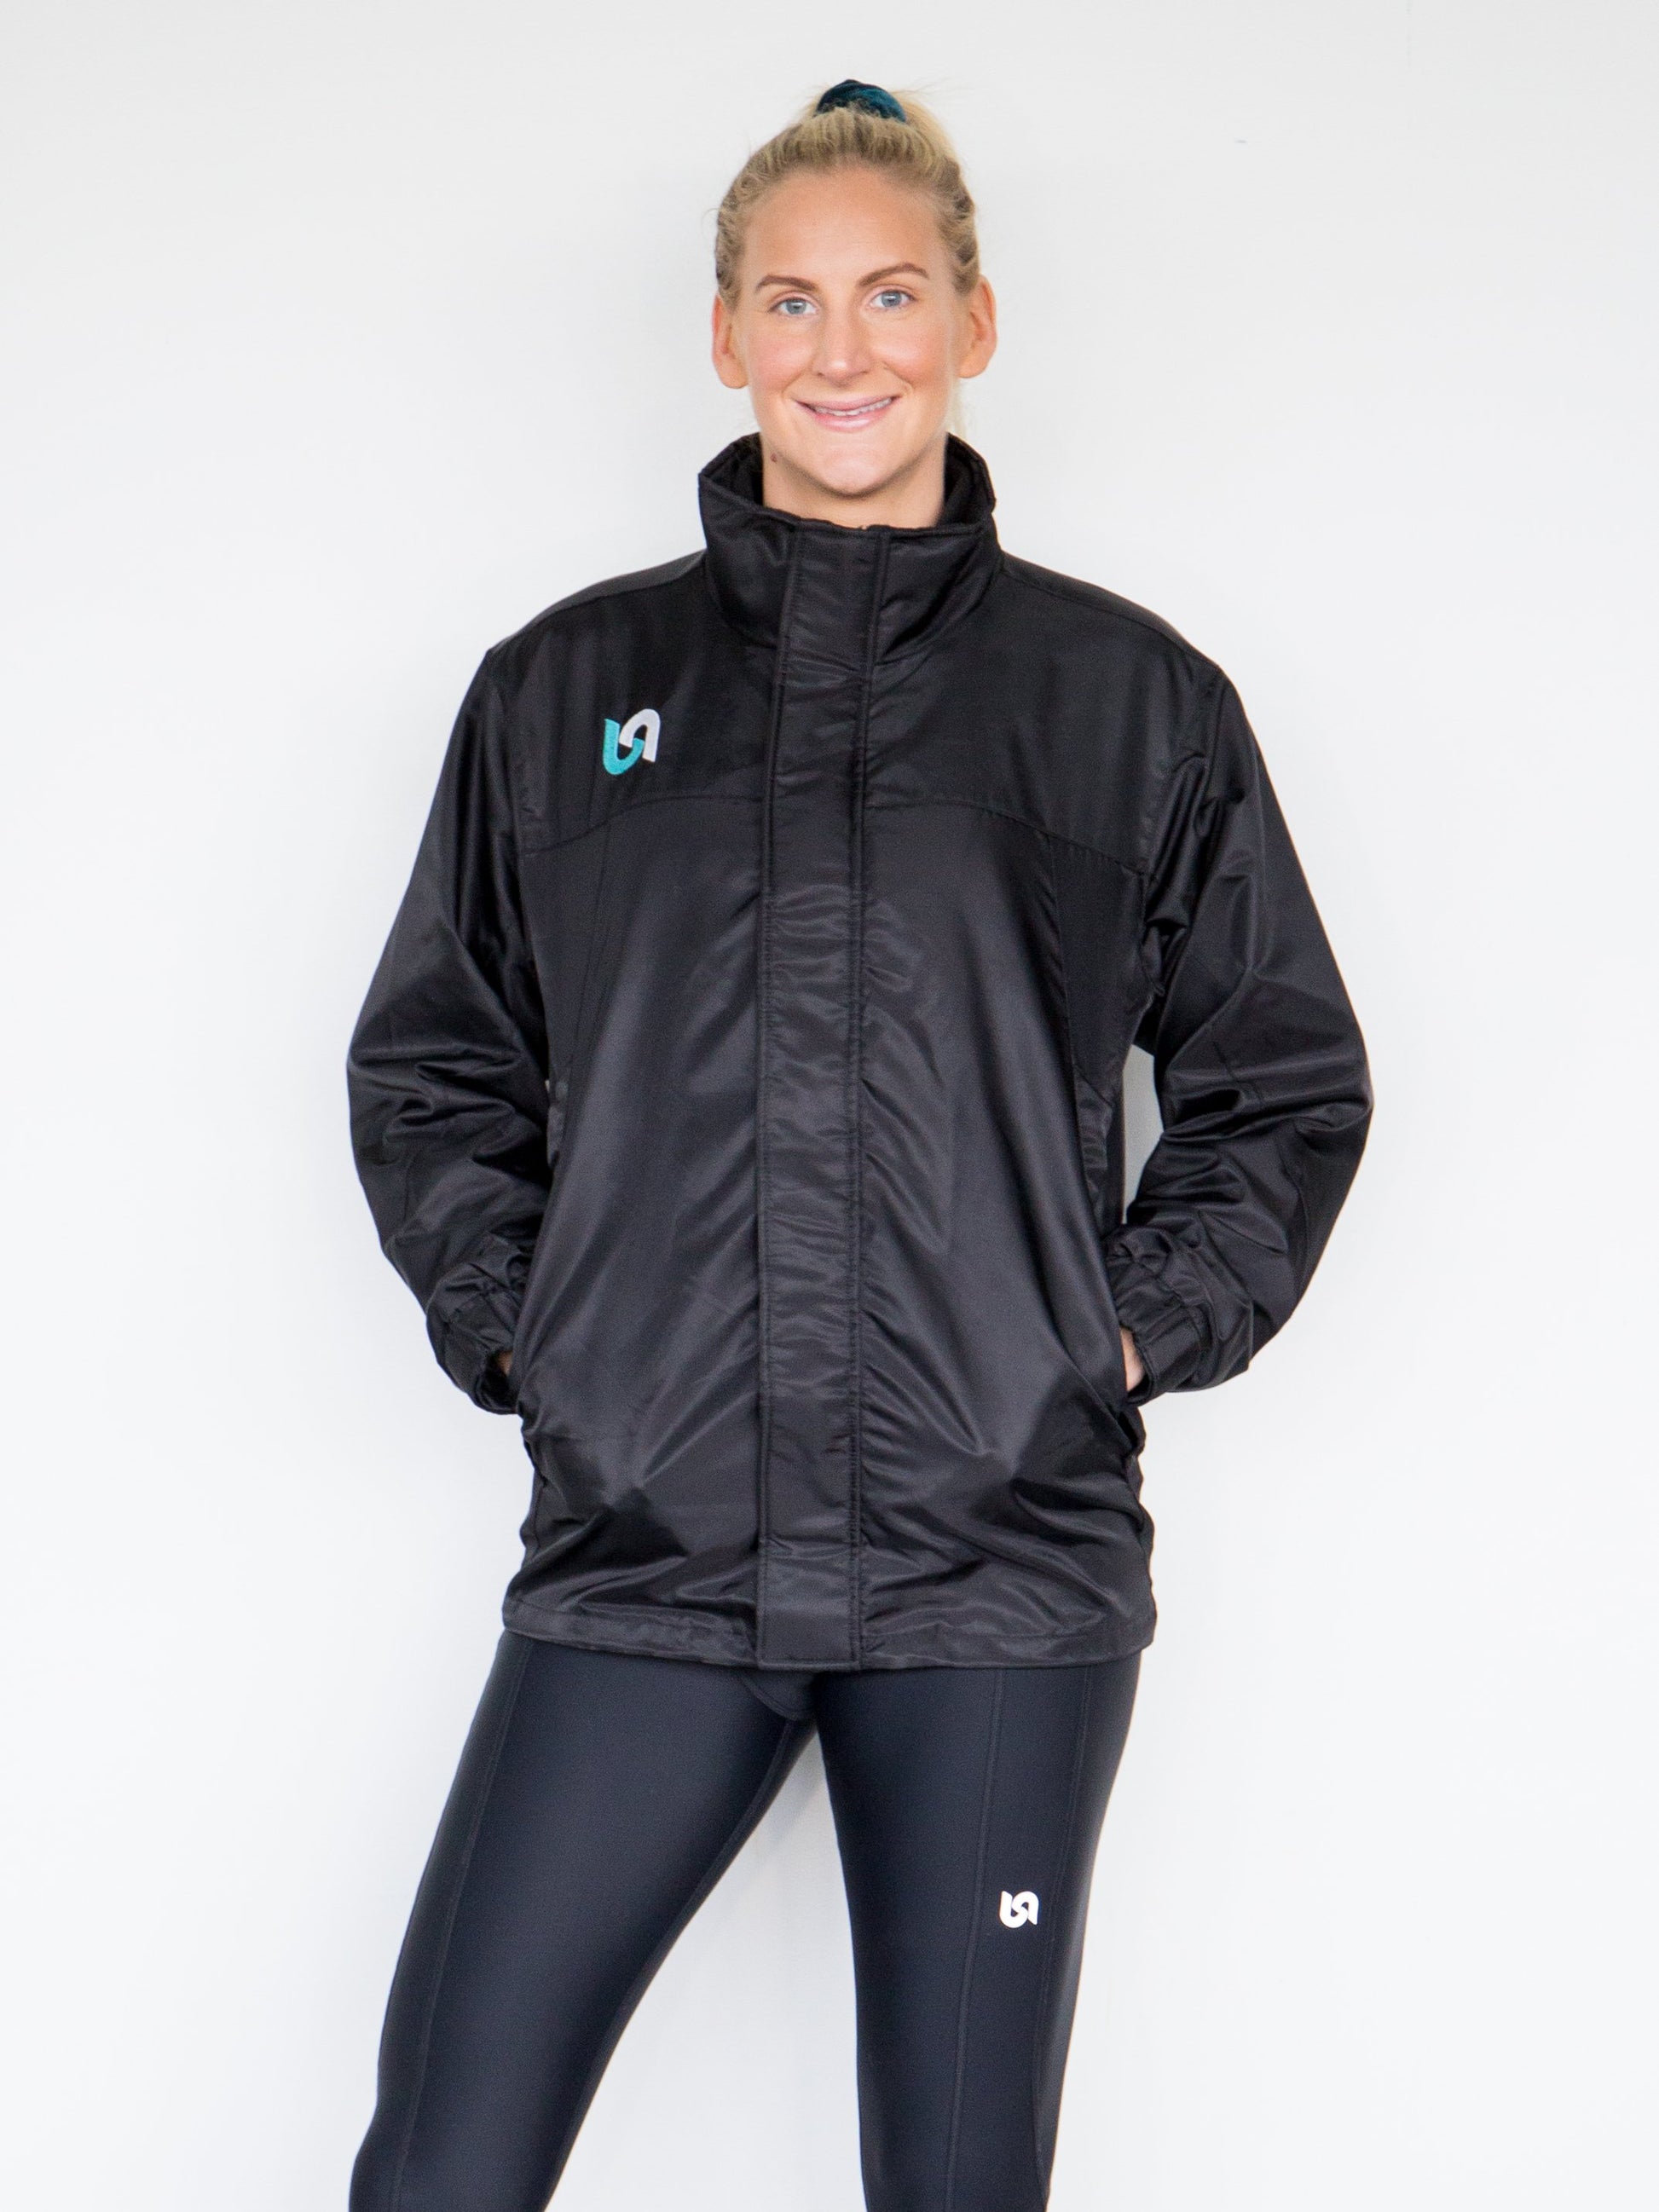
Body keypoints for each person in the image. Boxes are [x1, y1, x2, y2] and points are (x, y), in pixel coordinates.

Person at [344, 78, 1371, 2212]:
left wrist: (1101, 1336)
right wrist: (540, 1331)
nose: (842, 350)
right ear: (725, 332)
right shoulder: (565, 691)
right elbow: (436, 1060)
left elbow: (1280, 1076)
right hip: (647, 1549)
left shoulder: (1124, 701)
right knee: (447, 2160)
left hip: (998, 1568)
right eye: (792, 299)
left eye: (891, 294)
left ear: (971, 322)